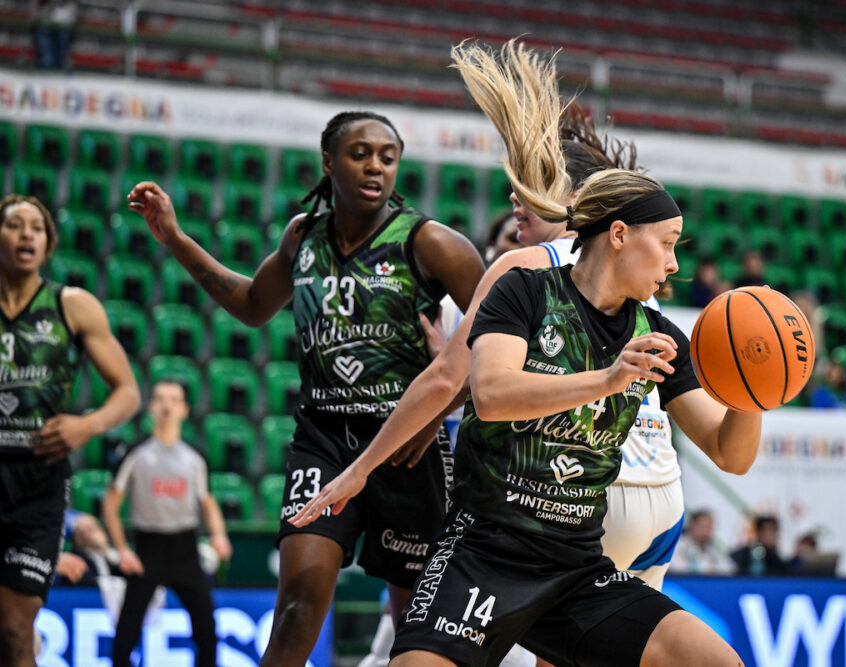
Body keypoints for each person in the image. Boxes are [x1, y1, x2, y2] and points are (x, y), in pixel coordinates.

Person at [292, 39, 760, 666]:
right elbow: (491, 392)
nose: (676, 265)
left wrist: (755, 393)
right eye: (668, 244)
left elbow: (730, 453)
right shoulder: (524, 284)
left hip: (577, 565)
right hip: (486, 553)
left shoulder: (659, 333)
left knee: (717, 661)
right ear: (618, 236)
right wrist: (609, 377)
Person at [127, 110, 485, 666]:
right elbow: (250, 306)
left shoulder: (432, 242)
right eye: (359, 153)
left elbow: (500, 342)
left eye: (387, 157)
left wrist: (441, 408)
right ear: (328, 161)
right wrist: (174, 239)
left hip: (406, 447)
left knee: (415, 631)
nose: (375, 166)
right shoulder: (303, 237)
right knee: (295, 611)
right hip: (324, 437)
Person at [0, 194, 140, 667]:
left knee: (16, 628)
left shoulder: (72, 306)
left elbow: (127, 392)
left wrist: (89, 424)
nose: (25, 234)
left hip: (38, 485)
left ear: (48, 242)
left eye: (35, 227)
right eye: (14, 224)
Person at [103, 380, 231, 667]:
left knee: (207, 632)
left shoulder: (195, 458)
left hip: (186, 549)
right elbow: (111, 504)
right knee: (126, 633)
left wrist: (219, 535)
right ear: (151, 407)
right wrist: (122, 549)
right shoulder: (135, 454)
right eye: (160, 398)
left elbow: (208, 503)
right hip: (148, 549)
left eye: (174, 399)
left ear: (184, 409)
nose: (166, 405)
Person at [670, 509, 735, 575]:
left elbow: (730, 568)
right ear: (692, 526)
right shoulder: (676, 546)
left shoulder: (714, 550)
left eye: (709, 528)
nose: (705, 532)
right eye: (702, 527)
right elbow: (678, 569)